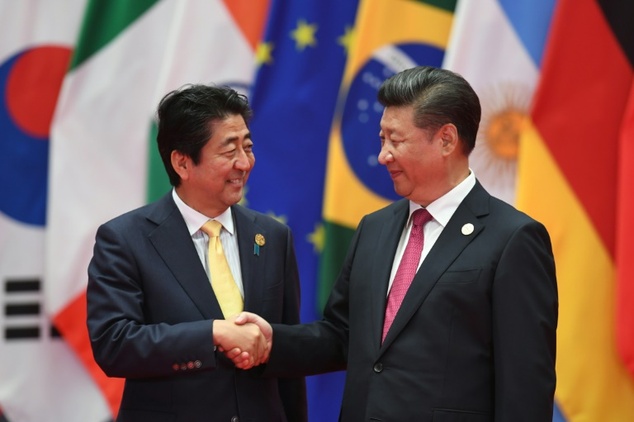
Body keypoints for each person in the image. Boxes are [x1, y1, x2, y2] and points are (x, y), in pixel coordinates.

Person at [232, 66, 558, 421]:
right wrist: (271, 342)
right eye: (381, 138)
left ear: (446, 140)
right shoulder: (375, 228)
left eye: (395, 140)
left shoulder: (513, 238)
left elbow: (524, 387)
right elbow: (343, 335)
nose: (383, 155)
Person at [86, 84, 307, 422]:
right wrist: (213, 333)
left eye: (247, 147)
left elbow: (287, 358)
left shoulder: (272, 237)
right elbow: (115, 344)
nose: (244, 163)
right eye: (228, 150)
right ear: (182, 162)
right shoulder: (125, 239)